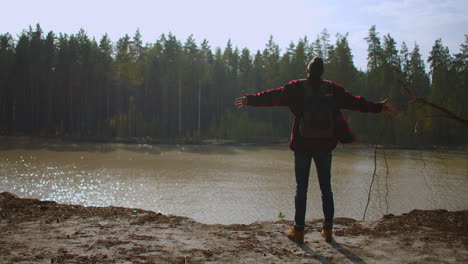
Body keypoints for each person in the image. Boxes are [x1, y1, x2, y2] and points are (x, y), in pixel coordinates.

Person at [234, 56, 396, 244]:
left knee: (301, 188)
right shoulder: (333, 89)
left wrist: (250, 100)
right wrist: (378, 107)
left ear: (307, 70)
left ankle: (299, 231)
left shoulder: (295, 87)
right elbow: (355, 102)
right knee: (326, 188)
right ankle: (327, 231)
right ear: (322, 73)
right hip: (325, 144)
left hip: (303, 144)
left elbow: (273, 96)